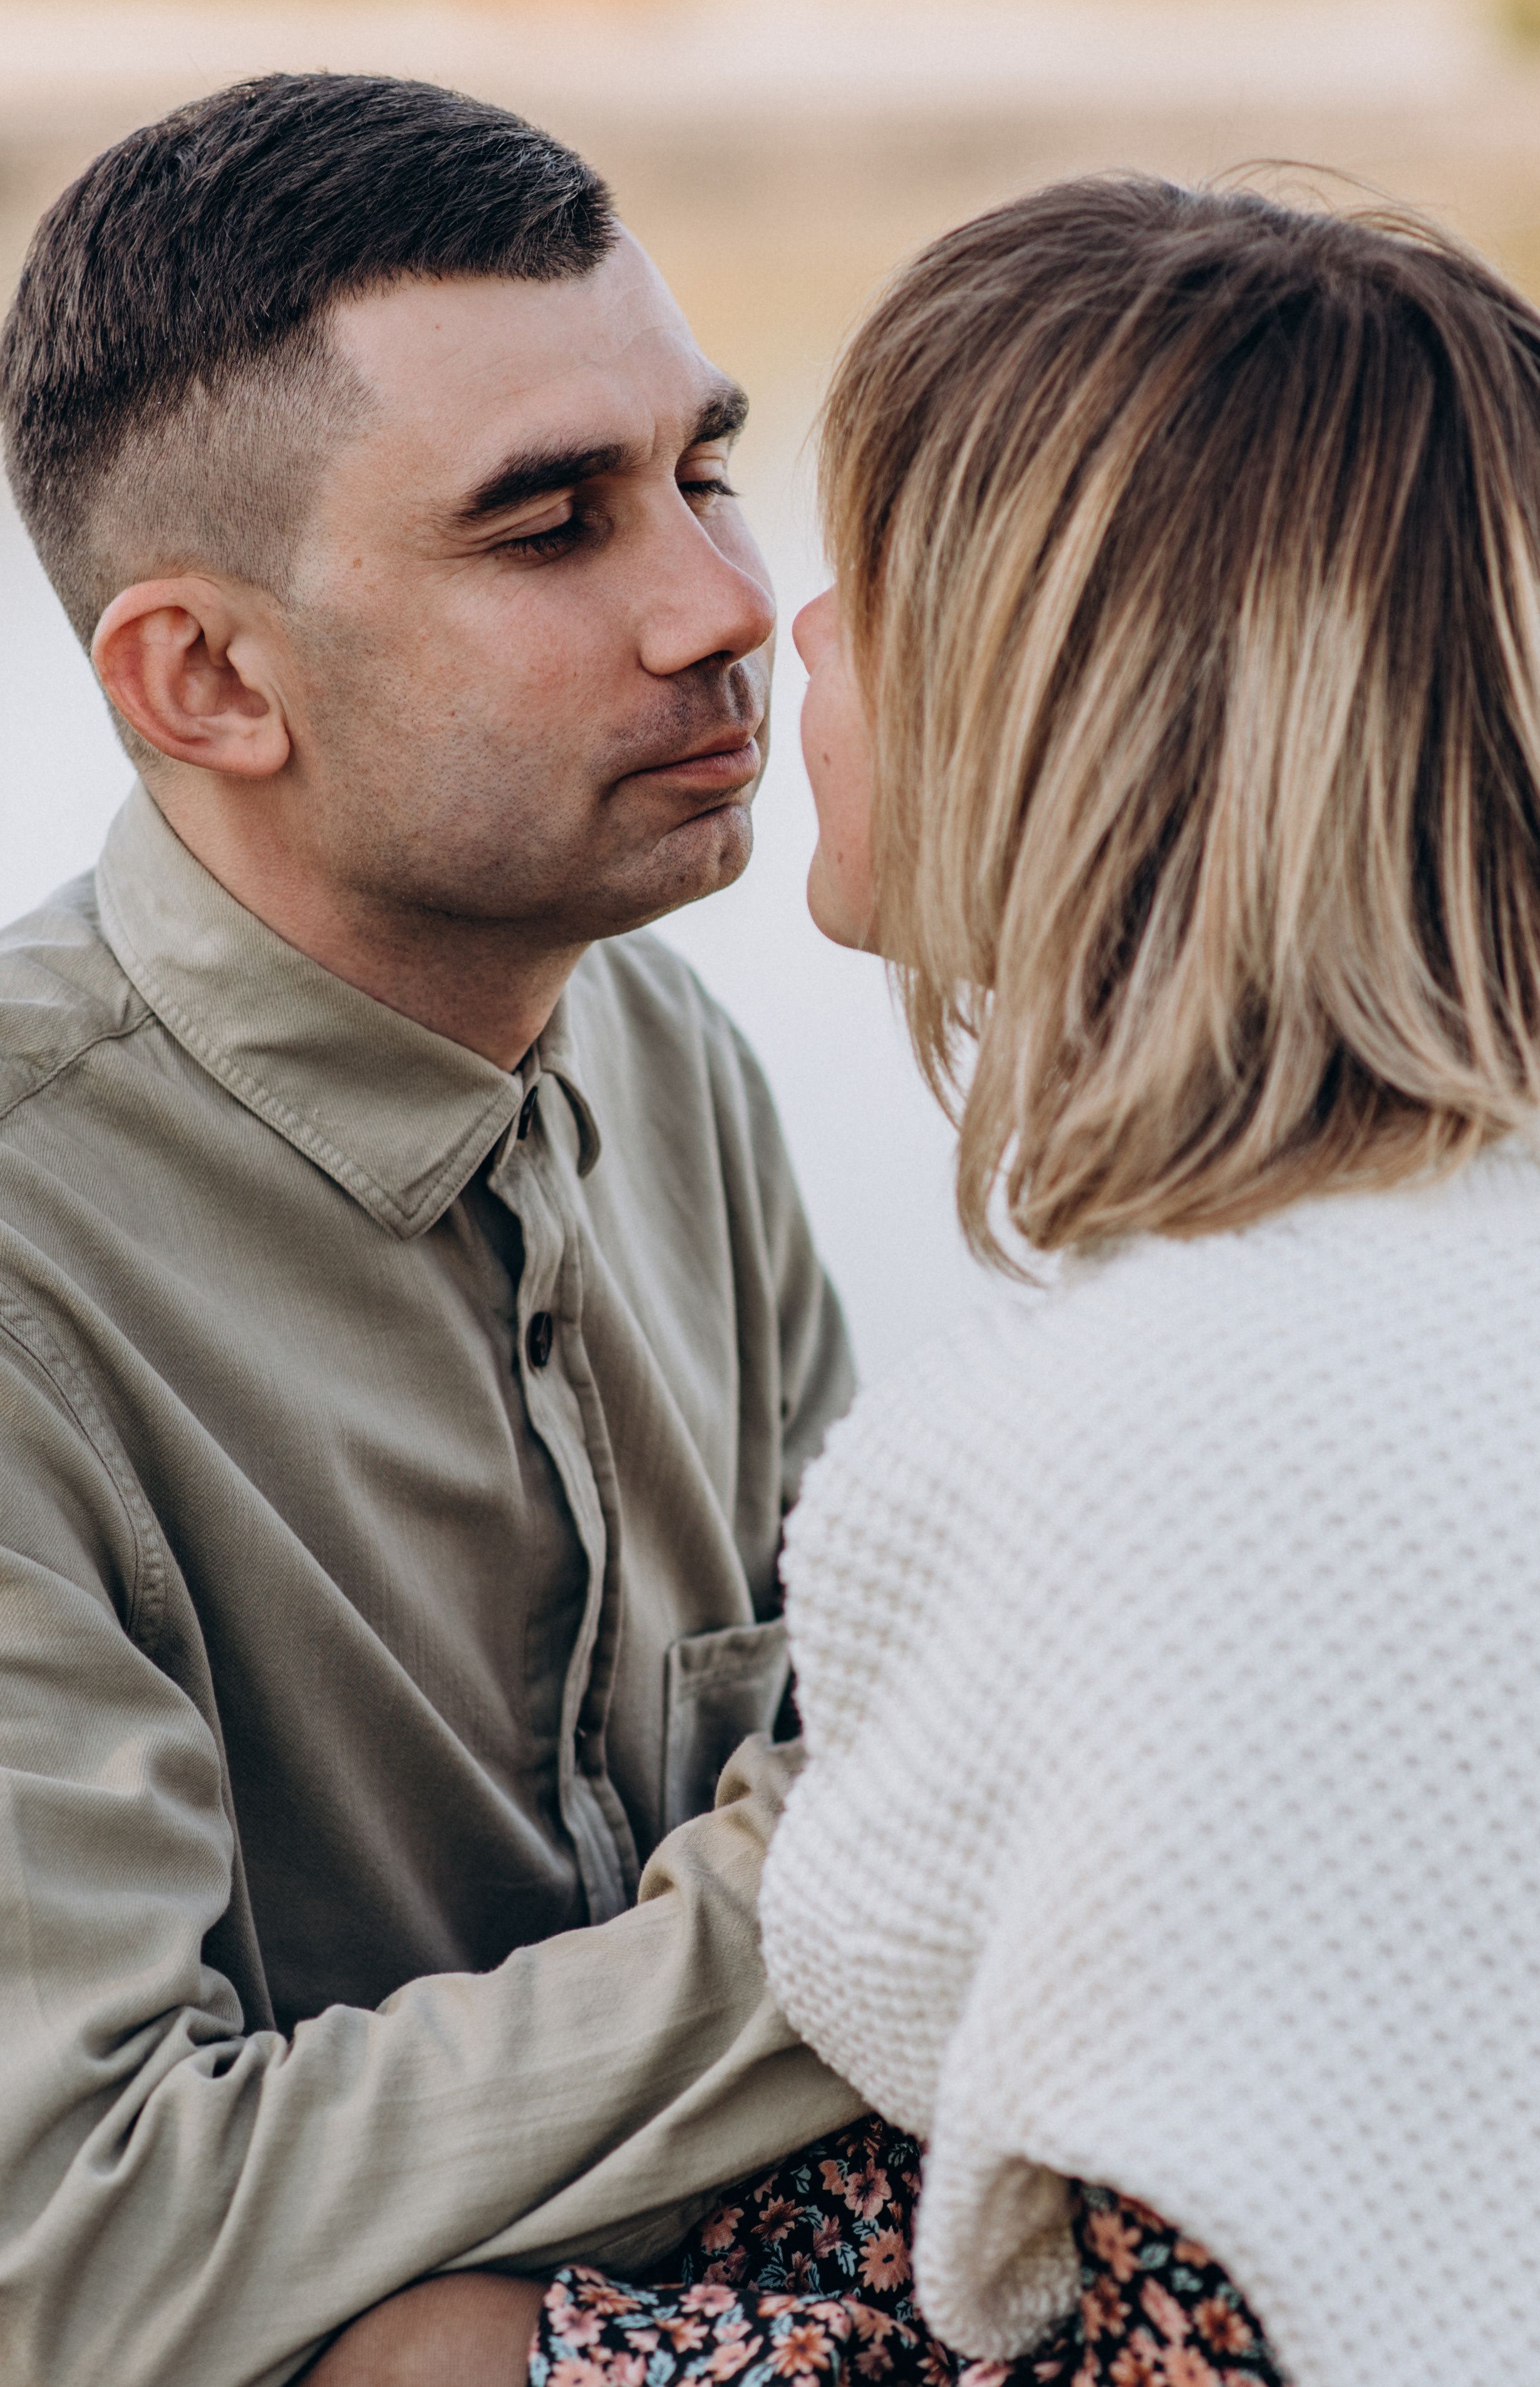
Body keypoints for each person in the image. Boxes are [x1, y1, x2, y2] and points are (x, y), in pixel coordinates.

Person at [0, 72, 869, 2387]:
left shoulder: (670, 1060)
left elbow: (876, 1719)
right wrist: (863, 1906)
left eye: (705, 467)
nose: (728, 604)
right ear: (209, 680)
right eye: (550, 522)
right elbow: (86, 2250)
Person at [750, 177, 1540, 2387]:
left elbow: (873, 1970)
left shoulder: (1103, 1425)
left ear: (1054, 703)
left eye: (873, 580)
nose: (784, 633)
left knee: (396, 2341)